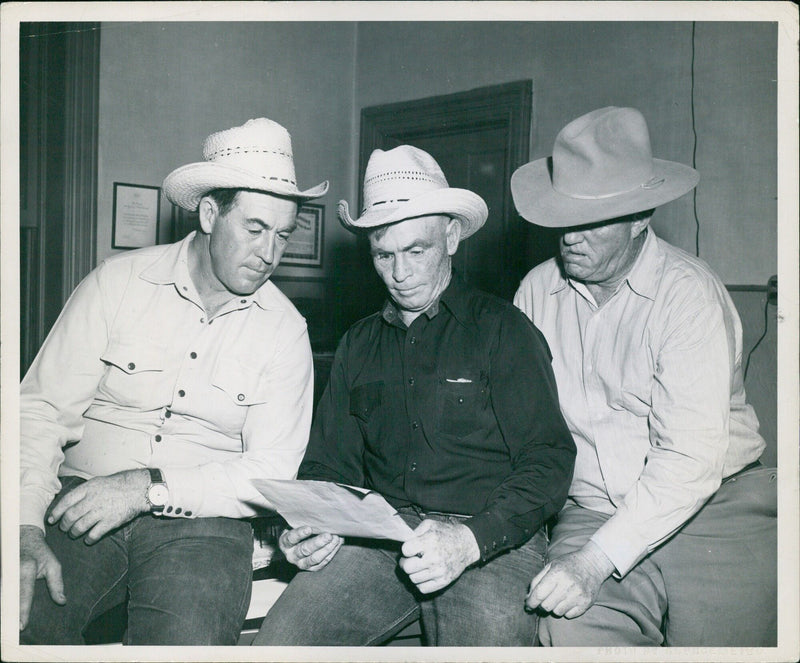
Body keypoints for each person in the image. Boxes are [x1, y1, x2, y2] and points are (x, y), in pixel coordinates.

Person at [19, 118, 328, 645]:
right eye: (255, 228)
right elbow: (39, 410)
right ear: (210, 213)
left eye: (283, 234)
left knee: (187, 643)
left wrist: (148, 489)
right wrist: (23, 528)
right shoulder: (115, 284)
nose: (270, 254)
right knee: (23, 618)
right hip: (79, 498)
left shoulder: (285, 331)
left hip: (204, 523)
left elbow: (273, 469)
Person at [252, 145, 576, 647]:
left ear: (450, 237)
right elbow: (328, 467)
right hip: (383, 539)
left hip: (490, 540)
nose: (400, 273)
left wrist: (470, 542)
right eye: (385, 255)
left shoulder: (503, 331)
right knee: (281, 642)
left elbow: (549, 460)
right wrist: (311, 528)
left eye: (416, 251)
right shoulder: (358, 343)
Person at [512, 106, 777, 646]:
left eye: (593, 220)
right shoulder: (535, 293)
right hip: (592, 510)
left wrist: (592, 564)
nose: (570, 238)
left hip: (714, 503)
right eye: (563, 218)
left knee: (727, 645)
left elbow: (689, 460)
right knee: (571, 633)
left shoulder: (688, 294)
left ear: (640, 217)